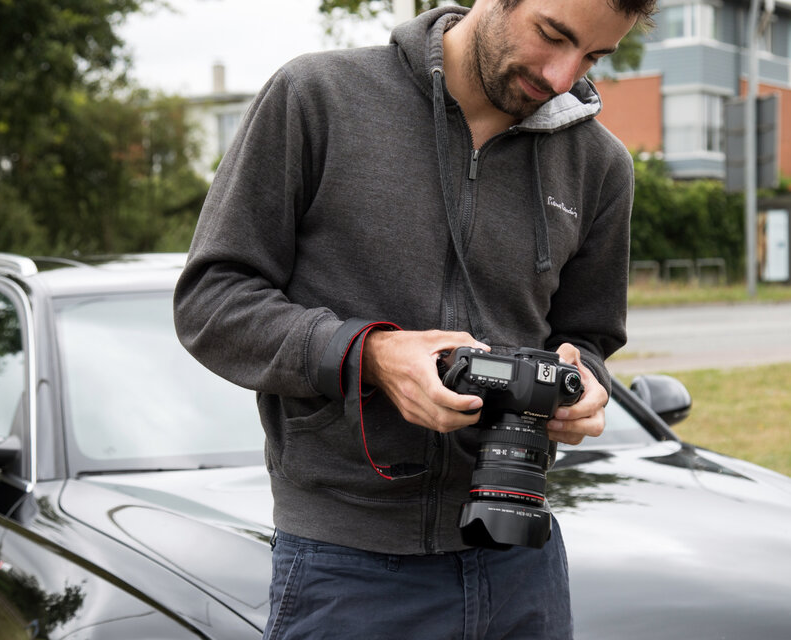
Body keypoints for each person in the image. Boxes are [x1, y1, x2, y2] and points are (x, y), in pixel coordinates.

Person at [174, 0, 656, 637]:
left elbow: (587, 336)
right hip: (348, 567)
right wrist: (369, 355)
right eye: (552, 35)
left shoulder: (600, 165)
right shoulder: (316, 98)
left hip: (522, 563)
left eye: (593, 56)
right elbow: (212, 299)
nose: (563, 77)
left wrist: (581, 380)